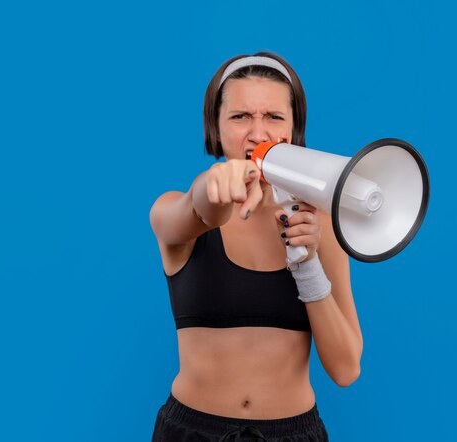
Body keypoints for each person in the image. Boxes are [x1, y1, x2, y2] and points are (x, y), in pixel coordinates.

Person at [149, 52, 363, 441]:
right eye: (240, 117)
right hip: (192, 431)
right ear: (215, 129)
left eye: (274, 117)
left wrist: (307, 265)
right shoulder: (170, 210)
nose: (258, 133)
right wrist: (211, 188)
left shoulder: (322, 225)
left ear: (295, 131)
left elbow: (346, 369)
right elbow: (198, 211)